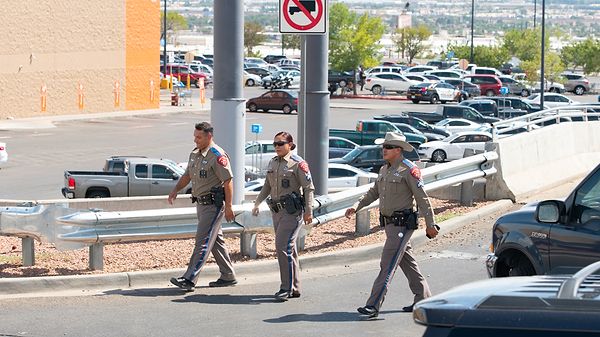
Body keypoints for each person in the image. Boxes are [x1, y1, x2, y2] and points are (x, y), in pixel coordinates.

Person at [345, 132, 439, 318]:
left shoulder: (409, 170)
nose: (384, 150)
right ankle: (424, 299)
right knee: (407, 262)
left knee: (387, 265)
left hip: (402, 226)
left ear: (398, 149)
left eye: (388, 147)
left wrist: (431, 224)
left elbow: (423, 199)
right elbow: (373, 192)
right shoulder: (384, 169)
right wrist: (356, 206)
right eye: (383, 147)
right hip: (389, 226)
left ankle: (373, 305)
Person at [168, 122, 237, 291]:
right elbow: (187, 175)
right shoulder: (195, 154)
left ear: (209, 136)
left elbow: (228, 181)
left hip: (213, 205)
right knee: (215, 241)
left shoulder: (217, 155)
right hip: (200, 203)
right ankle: (228, 275)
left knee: (203, 241)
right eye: (195, 136)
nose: (195, 140)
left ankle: (189, 279)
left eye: (199, 137)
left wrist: (228, 206)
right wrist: (176, 189)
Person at [252, 132, 314, 301]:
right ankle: (294, 287)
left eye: (281, 143)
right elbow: (267, 185)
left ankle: (285, 288)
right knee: (289, 249)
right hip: (277, 211)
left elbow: (308, 188)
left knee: (282, 247)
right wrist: (257, 202)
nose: (277, 146)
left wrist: (309, 211)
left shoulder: (298, 164)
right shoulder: (273, 162)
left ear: (290, 145)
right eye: (275, 144)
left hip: (292, 212)